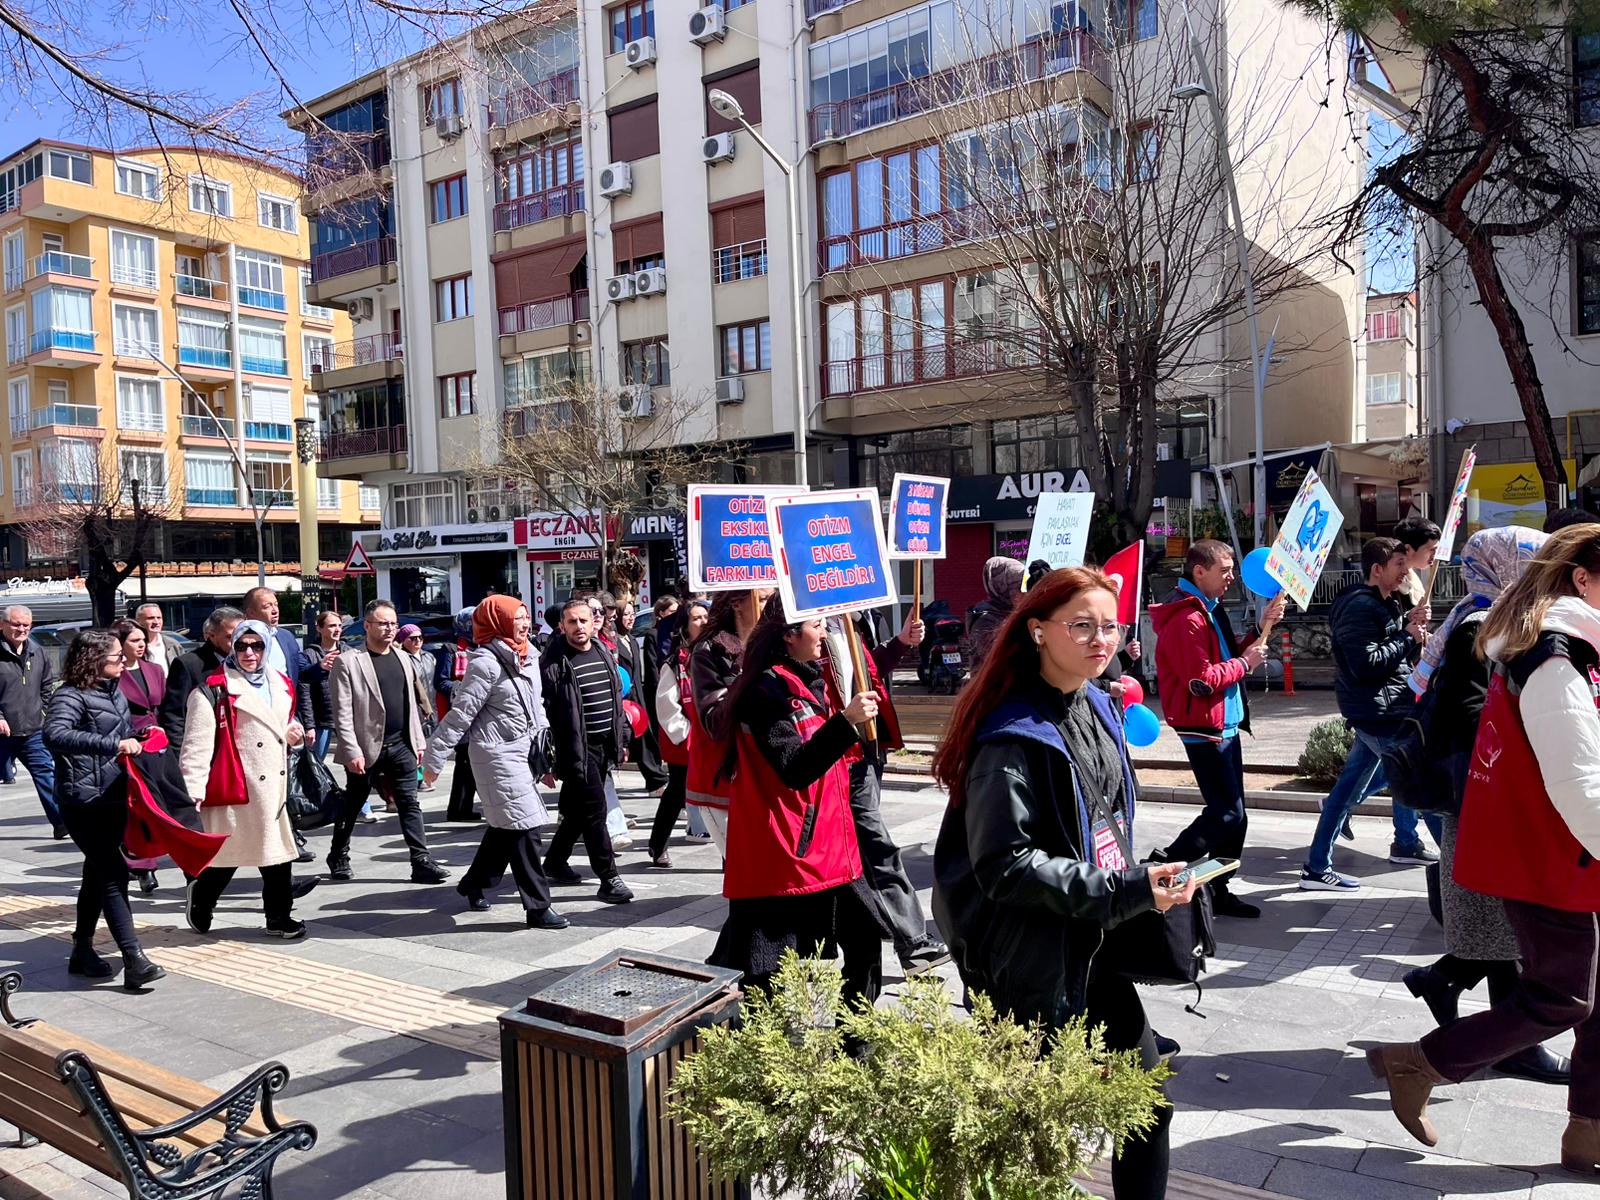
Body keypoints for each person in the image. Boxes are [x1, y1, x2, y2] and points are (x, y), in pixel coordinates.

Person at [931, 567, 1200, 1200]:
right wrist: (1126, 890)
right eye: (1081, 626)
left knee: (1145, 1105)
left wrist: (1140, 882)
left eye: (1110, 626)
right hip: (1028, 959)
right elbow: (1003, 865)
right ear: (1037, 631)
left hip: (1092, 940)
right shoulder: (1011, 736)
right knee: (1026, 1132)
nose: (1100, 639)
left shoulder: (1098, 705)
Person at [1364, 525, 1600, 1174]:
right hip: (1549, 852)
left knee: (1589, 998)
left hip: (1557, 849)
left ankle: (1589, 1130)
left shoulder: (1561, 642)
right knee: (1565, 997)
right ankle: (1420, 1063)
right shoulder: (1552, 654)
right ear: (1582, 579)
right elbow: (1578, 782)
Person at [1398, 526, 1571, 1085]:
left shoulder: (1488, 620)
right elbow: (1470, 716)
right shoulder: (1483, 627)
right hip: (1486, 799)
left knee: (1503, 926)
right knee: (1507, 924)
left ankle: (1448, 986)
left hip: (1487, 796)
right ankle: (1512, 1043)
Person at [709, 597, 887, 1005]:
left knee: (865, 942)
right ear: (789, 635)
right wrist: (846, 722)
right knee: (764, 974)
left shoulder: (807, 680)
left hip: (829, 847)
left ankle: (853, 1034)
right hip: (787, 854)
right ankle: (757, 1041)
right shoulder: (764, 690)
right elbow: (794, 768)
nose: (825, 631)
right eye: (817, 624)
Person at [1150, 540, 1286, 917]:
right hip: (1203, 727)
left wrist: (1261, 628)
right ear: (1199, 571)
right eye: (1224, 570)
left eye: (1232, 570)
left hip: (1224, 724)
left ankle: (1218, 888)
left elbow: (1229, 655)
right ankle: (1160, 867)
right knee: (1226, 814)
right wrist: (1245, 664)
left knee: (1235, 816)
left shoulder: (1208, 609)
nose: (1231, 577)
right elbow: (1201, 680)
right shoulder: (1187, 618)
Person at [1299, 537, 1440, 891]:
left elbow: (1390, 652)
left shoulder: (1383, 602)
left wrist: (1409, 626)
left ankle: (1317, 868)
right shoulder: (1360, 607)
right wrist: (1407, 637)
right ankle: (1460, 870)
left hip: (1383, 709)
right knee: (1419, 786)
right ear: (1377, 569)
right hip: (1378, 713)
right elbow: (1366, 664)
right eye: (1398, 565)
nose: (1405, 572)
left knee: (1344, 794)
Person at [423, 597, 568, 929]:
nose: (524, 623)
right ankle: (538, 907)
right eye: (517, 618)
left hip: (524, 753)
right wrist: (434, 757)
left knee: (507, 827)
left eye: (526, 616)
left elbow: (536, 708)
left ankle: (473, 883)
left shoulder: (529, 655)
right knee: (526, 828)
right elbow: (460, 715)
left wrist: (545, 756)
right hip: (495, 756)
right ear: (498, 622)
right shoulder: (485, 663)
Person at [825, 607, 950, 975]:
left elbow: (865, 671)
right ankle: (911, 941)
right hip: (833, 756)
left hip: (863, 751)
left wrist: (900, 643)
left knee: (869, 847)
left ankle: (907, 941)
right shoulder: (804, 626)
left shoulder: (850, 623)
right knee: (872, 845)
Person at [43, 630, 165, 990]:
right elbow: (54, 734)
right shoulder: (70, 694)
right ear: (93, 660)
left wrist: (140, 737)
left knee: (95, 875)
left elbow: (120, 732)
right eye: (117, 657)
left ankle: (82, 949)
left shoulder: (114, 691)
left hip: (113, 795)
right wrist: (114, 744)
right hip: (82, 801)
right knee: (113, 874)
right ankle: (134, 959)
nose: (124, 662)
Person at [180, 620, 309, 939]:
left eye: (257, 646)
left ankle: (279, 917)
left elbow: (279, 725)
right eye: (241, 646)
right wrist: (192, 791)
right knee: (228, 856)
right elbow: (196, 745)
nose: (249, 653)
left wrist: (292, 735)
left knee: (276, 854)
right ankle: (202, 900)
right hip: (234, 786)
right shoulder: (213, 689)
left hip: (273, 786)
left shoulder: (280, 683)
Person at [328, 599, 449, 885]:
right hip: (366, 748)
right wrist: (351, 750)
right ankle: (338, 854)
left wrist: (418, 741)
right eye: (383, 623)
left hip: (402, 744)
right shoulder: (348, 661)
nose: (390, 629)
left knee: (409, 803)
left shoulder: (403, 657)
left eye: (393, 623)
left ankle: (421, 861)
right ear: (367, 626)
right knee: (354, 803)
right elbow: (342, 712)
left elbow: (411, 704)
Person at [539, 597, 634, 902]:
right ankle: (609, 878)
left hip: (605, 745)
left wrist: (622, 739)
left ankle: (555, 861)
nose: (578, 626)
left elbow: (616, 699)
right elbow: (546, 713)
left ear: (594, 622)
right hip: (576, 750)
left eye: (583, 620)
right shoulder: (553, 662)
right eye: (572, 621)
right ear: (562, 626)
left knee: (578, 811)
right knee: (595, 810)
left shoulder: (602, 651)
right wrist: (548, 760)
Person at [688, 588, 770, 853]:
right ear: (736, 603)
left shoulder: (774, 643)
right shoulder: (708, 651)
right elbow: (714, 722)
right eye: (762, 599)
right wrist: (748, 677)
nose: (769, 605)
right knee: (745, 863)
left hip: (767, 774)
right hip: (725, 778)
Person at [649, 597, 710, 865]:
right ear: (685, 626)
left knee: (721, 797)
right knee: (676, 793)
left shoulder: (719, 655)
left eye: (706, 617)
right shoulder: (675, 663)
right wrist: (686, 735)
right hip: (686, 740)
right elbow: (667, 706)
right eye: (696, 618)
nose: (703, 622)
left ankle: (728, 855)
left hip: (714, 737)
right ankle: (657, 845)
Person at [111, 619, 168, 896]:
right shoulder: (113, 674)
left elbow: (165, 706)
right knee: (135, 805)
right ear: (120, 644)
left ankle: (143, 856)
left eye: (143, 639)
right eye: (134, 640)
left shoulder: (154, 670)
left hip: (156, 742)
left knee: (154, 803)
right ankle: (144, 867)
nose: (141, 644)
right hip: (128, 744)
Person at [0, 604, 62, 838]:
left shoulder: (38, 651)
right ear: (2, 624)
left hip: (32, 730)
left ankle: (61, 822)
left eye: (26, 625)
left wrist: (43, 713)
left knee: (46, 774)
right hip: (2, 731)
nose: (22, 629)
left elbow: (47, 685)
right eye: (16, 624)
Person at [161, 606, 242, 751]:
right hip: (205, 748)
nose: (237, 642)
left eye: (241, 635)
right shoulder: (188, 664)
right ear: (211, 635)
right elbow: (174, 715)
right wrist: (180, 753)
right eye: (229, 637)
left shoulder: (247, 662)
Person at [618, 597, 669, 797]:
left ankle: (656, 779)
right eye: (626, 614)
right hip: (625, 698)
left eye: (632, 614)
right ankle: (656, 781)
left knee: (646, 738)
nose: (630, 618)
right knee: (640, 742)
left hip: (638, 696)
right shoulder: (614, 641)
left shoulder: (630, 639)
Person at [242, 587, 312, 730]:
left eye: (276, 605)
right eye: (267, 606)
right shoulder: (240, 640)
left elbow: (301, 672)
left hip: (286, 713)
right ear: (251, 613)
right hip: (254, 716)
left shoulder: (286, 637)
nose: (275, 610)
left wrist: (322, 667)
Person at [436, 608, 481, 821]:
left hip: (479, 712)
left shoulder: (482, 648)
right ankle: (457, 809)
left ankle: (464, 807)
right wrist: (466, 689)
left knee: (472, 763)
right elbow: (441, 681)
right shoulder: (450, 649)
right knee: (464, 761)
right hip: (460, 712)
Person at [966, 556, 1024, 674]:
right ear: (1001, 587)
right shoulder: (985, 621)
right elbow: (1000, 658)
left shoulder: (1015, 613)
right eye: (1017, 589)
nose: (1023, 594)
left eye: (1024, 588)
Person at [1392, 516, 1442, 614]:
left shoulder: (1413, 579)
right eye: (1432, 550)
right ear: (1408, 549)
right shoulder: (1388, 583)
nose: (1435, 555)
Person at [134, 603, 175, 675]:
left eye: (159, 618)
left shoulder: (173, 645)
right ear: (138, 621)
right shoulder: (132, 646)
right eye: (151, 618)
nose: (156, 622)